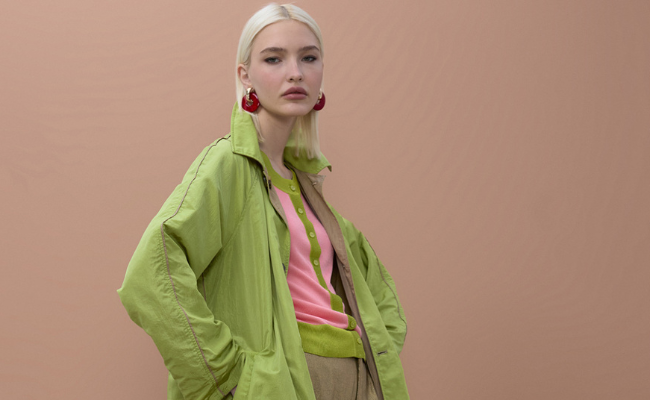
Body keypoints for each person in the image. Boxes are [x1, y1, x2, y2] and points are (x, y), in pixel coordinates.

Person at [118, 4, 409, 400]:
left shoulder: (308, 186)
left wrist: (376, 369)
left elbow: (380, 296)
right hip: (283, 382)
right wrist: (230, 376)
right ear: (245, 75)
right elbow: (150, 275)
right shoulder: (229, 164)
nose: (296, 72)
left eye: (309, 58)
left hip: (352, 380)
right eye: (274, 58)